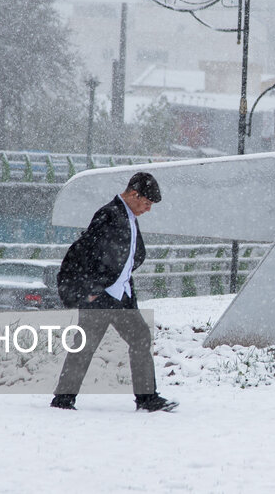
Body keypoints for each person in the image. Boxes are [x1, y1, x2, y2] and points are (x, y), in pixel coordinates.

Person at [51, 171, 176, 412]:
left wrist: (124, 286)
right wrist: (91, 289)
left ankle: (147, 398)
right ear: (134, 194)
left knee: (140, 338)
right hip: (101, 297)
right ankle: (63, 399)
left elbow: (131, 256)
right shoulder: (108, 214)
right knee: (85, 345)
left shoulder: (128, 216)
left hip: (121, 297)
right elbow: (87, 252)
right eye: (147, 203)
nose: (148, 209)